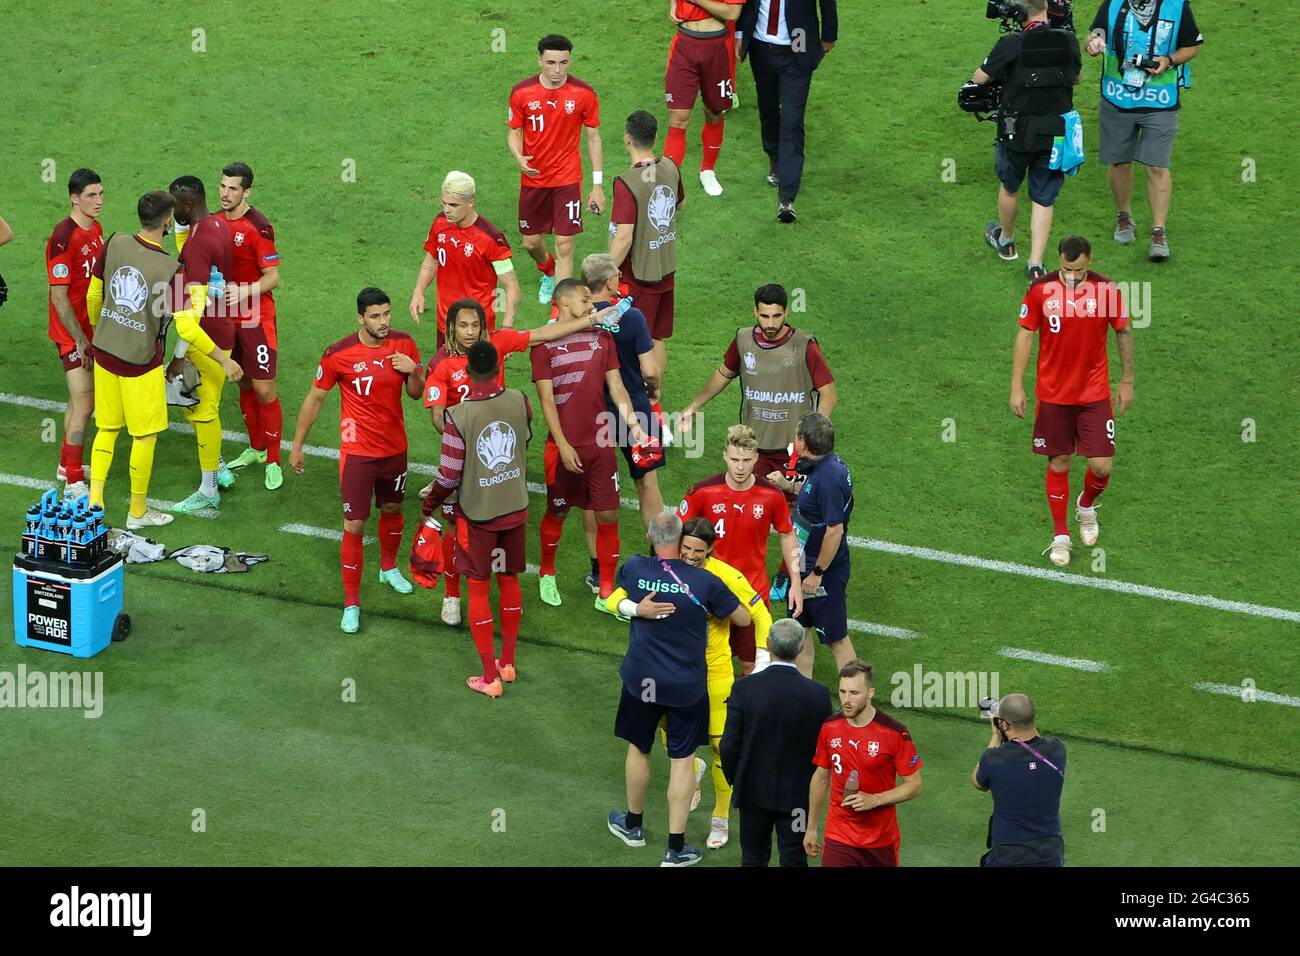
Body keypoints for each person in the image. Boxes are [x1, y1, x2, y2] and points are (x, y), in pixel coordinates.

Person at [421, 297, 617, 626]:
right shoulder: (440, 364)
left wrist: (591, 319)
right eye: (463, 325)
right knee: (456, 527)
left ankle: (503, 588)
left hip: (499, 456)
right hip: (464, 457)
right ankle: (452, 595)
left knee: (503, 522)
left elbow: (542, 334)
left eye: (475, 325)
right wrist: (465, 437)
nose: (470, 332)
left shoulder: (498, 341)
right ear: (450, 327)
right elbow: (438, 418)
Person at [606, 516, 773, 849]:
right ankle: (677, 837)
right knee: (674, 749)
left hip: (713, 675)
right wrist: (637, 608)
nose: (692, 555)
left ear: (711, 549)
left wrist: (762, 658)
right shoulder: (679, 574)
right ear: (677, 542)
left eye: (699, 550)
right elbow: (612, 601)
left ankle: (720, 817)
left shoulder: (724, 576)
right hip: (687, 679)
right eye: (686, 548)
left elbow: (758, 615)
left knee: (720, 748)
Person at [83, 191, 237, 528]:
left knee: (107, 428)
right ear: (168, 220)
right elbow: (186, 327)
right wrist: (223, 361)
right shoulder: (172, 270)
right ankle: (137, 512)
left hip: (105, 353)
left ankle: (94, 505)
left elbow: (94, 295)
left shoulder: (115, 241)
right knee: (144, 436)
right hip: (141, 364)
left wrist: (103, 328)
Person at [289, 288, 423, 634]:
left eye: (387, 314)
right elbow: (316, 398)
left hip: (395, 451)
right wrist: (297, 445)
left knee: (393, 510)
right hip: (358, 455)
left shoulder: (404, 344)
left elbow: (416, 393)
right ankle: (351, 603)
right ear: (360, 318)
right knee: (355, 525)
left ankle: (389, 568)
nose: (383, 322)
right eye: (376, 316)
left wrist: (413, 372)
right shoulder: (339, 354)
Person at [1009, 235, 1134, 566]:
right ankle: (1061, 535)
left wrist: (1127, 379)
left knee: (1102, 465)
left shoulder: (1106, 291)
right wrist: (1017, 386)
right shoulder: (1041, 290)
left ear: (1090, 261)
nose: (1073, 276)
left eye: (1078, 270)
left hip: (1094, 394)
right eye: (1066, 269)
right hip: (1053, 396)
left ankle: (1086, 505)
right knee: (1059, 461)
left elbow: (1123, 331)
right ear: (1059, 260)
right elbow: (1025, 332)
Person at [531, 279, 653, 611]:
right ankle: (546, 571)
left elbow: (618, 389)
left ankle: (606, 591)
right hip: (564, 448)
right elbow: (546, 402)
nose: (592, 304)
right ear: (565, 303)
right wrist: (563, 443)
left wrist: (634, 428)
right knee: (557, 510)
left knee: (609, 515)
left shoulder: (603, 338)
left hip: (600, 443)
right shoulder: (543, 345)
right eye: (585, 299)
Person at [422, 341, 533, 698]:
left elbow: (449, 474)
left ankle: (489, 677)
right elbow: (521, 442)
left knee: (479, 587)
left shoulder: (458, 415)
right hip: (515, 506)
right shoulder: (520, 400)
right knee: (510, 579)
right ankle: (509, 663)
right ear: (498, 367)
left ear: (468, 371)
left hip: (478, 515)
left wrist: (431, 505)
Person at [679, 283, 835, 500]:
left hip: (793, 450)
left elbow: (829, 393)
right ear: (755, 312)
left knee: (795, 508)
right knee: (748, 504)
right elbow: (724, 373)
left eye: (776, 316)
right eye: (764, 316)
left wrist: (810, 435)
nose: (770, 323)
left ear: (786, 312)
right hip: (753, 446)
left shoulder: (804, 346)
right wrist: (694, 406)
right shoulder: (743, 340)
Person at [678, 424, 803, 676]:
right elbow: (678, 536)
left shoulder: (771, 495)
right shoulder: (702, 492)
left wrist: (796, 582)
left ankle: (744, 713)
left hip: (752, 593)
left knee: (752, 666)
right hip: (709, 591)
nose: (740, 467)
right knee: (700, 661)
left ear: (756, 458)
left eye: (746, 460)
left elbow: (787, 535)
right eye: (734, 459)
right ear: (725, 455)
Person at [969, 0, 1081, 281]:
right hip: (1054, 133)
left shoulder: (1011, 44)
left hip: (1015, 133)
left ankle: (1006, 242)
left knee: (1009, 187)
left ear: (1018, 13)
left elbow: (979, 78)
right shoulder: (1068, 40)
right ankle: (1035, 264)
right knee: (1044, 198)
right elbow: (1076, 78)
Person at [1085, 0, 1203, 260]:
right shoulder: (1114, 3)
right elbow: (1097, 33)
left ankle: (1158, 233)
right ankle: (1124, 217)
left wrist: (1169, 59)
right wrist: (1093, 43)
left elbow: (1192, 45)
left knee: (1157, 166)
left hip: (1160, 101)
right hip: (1117, 98)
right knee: (1119, 162)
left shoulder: (1176, 6)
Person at [577, 253, 664, 592]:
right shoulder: (633, 317)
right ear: (611, 283)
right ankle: (660, 560)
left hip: (590, 413)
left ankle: (598, 571)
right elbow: (650, 370)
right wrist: (653, 393)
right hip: (635, 411)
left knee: (593, 494)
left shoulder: (577, 317)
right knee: (647, 484)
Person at [721, 617, 830, 866]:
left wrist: (736, 779)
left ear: (768, 644)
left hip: (752, 792)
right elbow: (821, 750)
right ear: (802, 647)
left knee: (753, 859)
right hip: (798, 797)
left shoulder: (744, 689)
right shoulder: (818, 695)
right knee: (794, 859)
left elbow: (729, 746)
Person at [507, 34, 604, 306]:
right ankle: (547, 271)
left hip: (567, 178)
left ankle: (559, 309)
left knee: (565, 245)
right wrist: (518, 156)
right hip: (534, 179)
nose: (558, 70)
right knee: (530, 242)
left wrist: (597, 185)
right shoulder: (522, 93)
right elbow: (513, 132)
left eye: (563, 63)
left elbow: (593, 138)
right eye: (551, 63)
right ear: (539, 61)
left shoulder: (584, 93)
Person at [167, 175, 241, 513]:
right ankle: (218, 464)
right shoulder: (216, 225)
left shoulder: (198, 244)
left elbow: (191, 314)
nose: (170, 210)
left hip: (205, 336)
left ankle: (209, 487)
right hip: (224, 325)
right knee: (195, 406)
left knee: (202, 409)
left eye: (173, 205)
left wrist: (179, 356)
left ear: (185, 204)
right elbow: (189, 252)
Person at [806, 660, 923, 867]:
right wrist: (811, 827)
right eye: (842, 692)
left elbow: (914, 785)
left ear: (870, 693)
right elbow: (821, 777)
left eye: (854, 693)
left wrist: (875, 800)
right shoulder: (830, 727)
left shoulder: (894, 733)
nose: (846, 700)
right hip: (839, 836)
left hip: (880, 842)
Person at [766, 413, 856, 677]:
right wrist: (787, 484)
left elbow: (834, 530)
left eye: (797, 433)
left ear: (803, 441)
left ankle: (857, 699)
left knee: (837, 639)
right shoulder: (826, 466)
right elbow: (813, 495)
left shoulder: (828, 478)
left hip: (820, 572)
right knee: (800, 632)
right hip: (804, 565)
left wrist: (816, 574)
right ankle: (801, 691)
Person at [736, 0, 839, 222]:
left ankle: (787, 197)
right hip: (760, 47)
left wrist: (829, 36)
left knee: (792, 120)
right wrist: (739, 34)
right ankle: (775, 157)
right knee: (768, 109)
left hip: (797, 47)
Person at [217, 163, 286, 491]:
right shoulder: (214, 223)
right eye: (222, 187)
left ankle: (274, 459)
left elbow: (273, 277)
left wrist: (244, 291)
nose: (225, 194)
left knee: (264, 389)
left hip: (257, 318)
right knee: (242, 382)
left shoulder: (258, 227)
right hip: (228, 318)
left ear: (247, 192)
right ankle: (256, 448)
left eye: (232, 188)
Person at [609, 110, 684, 409]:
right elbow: (678, 204)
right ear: (655, 137)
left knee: (633, 344)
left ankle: (640, 410)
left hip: (638, 276)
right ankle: (656, 405)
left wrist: (603, 272)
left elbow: (624, 238)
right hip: (666, 268)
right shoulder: (670, 167)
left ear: (627, 139)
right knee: (657, 337)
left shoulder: (627, 183)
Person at [45, 168, 106, 500]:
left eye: (100, 194)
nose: (98, 201)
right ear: (74, 198)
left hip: (90, 330)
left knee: (76, 400)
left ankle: (64, 465)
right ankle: (73, 482)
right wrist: (81, 341)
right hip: (72, 335)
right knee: (85, 404)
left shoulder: (94, 229)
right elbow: (59, 296)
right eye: (90, 196)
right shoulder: (62, 238)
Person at [409, 170, 521, 345]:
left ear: (471, 202)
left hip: (476, 330)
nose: (446, 210)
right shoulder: (439, 223)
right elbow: (431, 259)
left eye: (453, 205)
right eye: (444, 203)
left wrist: (507, 327)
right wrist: (419, 290)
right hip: (446, 325)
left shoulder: (490, 238)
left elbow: (511, 283)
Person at [973, 693, 1066, 866]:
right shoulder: (1057, 750)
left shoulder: (993, 759)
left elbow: (979, 782)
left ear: (1004, 724)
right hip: (1051, 855)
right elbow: (1034, 744)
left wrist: (996, 735)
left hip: (1007, 857)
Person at [663, 0, 745, 196]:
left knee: (714, 112)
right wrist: (674, 4)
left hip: (717, 47)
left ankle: (707, 170)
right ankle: (667, 182)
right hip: (683, 44)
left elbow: (732, 13)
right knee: (678, 117)